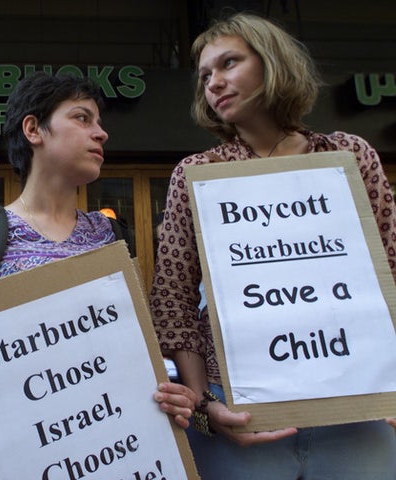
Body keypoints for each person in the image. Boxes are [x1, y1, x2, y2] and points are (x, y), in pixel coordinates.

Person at [0, 72, 197, 479]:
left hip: (106, 458)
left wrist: (168, 393)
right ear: (33, 129)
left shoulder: (109, 237)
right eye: (82, 118)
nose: (101, 134)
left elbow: (129, 360)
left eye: (99, 123)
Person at [150, 12, 396, 480]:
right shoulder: (197, 174)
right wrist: (206, 406)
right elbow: (173, 300)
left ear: (272, 62)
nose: (214, 83)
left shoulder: (347, 157)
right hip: (240, 416)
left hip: (353, 412)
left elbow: (391, 265)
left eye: (229, 64)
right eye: (205, 76)